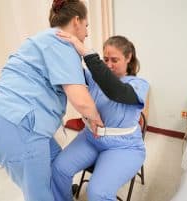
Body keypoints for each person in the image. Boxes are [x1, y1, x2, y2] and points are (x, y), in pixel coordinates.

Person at [0, 1, 103, 201]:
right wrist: (97, 120)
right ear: (77, 21)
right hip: (16, 125)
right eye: (87, 26)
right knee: (40, 194)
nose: (87, 33)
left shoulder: (42, 39)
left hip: (0, 117)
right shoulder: (63, 43)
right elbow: (82, 102)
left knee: (56, 163)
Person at [52, 32, 149, 201]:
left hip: (124, 147)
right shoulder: (94, 77)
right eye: (106, 59)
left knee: (97, 193)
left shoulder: (138, 84)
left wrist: (88, 53)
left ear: (128, 58)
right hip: (91, 138)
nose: (109, 65)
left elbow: (115, 91)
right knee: (59, 168)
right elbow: (71, 70)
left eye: (115, 60)